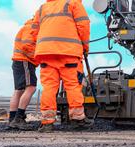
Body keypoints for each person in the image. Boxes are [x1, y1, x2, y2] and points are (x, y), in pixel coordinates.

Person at [31, 0, 92, 132]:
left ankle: (47, 122)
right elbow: (84, 25)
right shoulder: (73, 3)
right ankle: (77, 120)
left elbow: (33, 30)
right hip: (69, 53)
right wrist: (85, 47)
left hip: (46, 54)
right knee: (72, 85)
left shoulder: (43, 8)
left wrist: (44, 45)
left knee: (49, 87)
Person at [8, 20, 38, 130]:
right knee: (31, 88)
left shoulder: (27, 26)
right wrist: (38, 58)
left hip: (19, 61)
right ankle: (18, 118)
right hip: (25, 61)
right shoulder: (32, 27)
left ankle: (12, 120)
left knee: (19, 90)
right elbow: (26, 46)